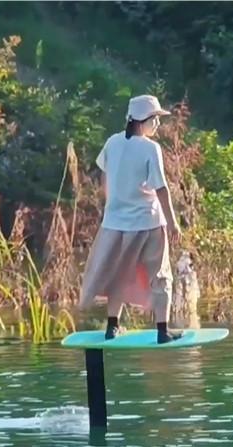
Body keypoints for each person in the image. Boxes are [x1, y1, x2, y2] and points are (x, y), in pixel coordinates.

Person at [79, 95, 183, 344]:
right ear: (143, 121)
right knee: (160, 276)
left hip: (115, 224)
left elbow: (104, 176)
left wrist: (112, 204)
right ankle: (162, 331)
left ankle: (112, 326)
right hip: (148, 222)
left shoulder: (113, 143)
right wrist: (172, 222)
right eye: (155, 119)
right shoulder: (150, 148)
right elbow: (161, 188)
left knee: (117, 273)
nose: (157, 125)